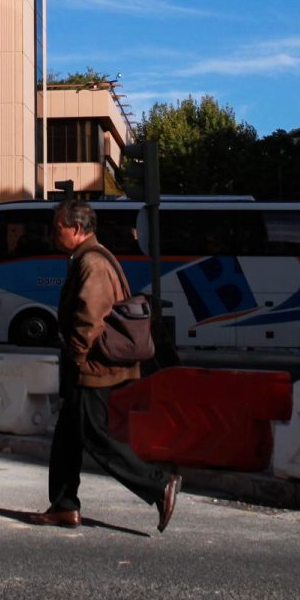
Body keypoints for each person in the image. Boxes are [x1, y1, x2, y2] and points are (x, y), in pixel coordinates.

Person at [31, 198, 180, 532]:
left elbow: (90, 318)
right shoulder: (87, 257)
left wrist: (79, 358)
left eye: (60, 228)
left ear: (78, 229)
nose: (55, 234)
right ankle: (64, 506)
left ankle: (159, 484)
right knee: (66, 440)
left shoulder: (92, 263)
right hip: (89, 366)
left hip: (93, 369)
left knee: (96, 437)